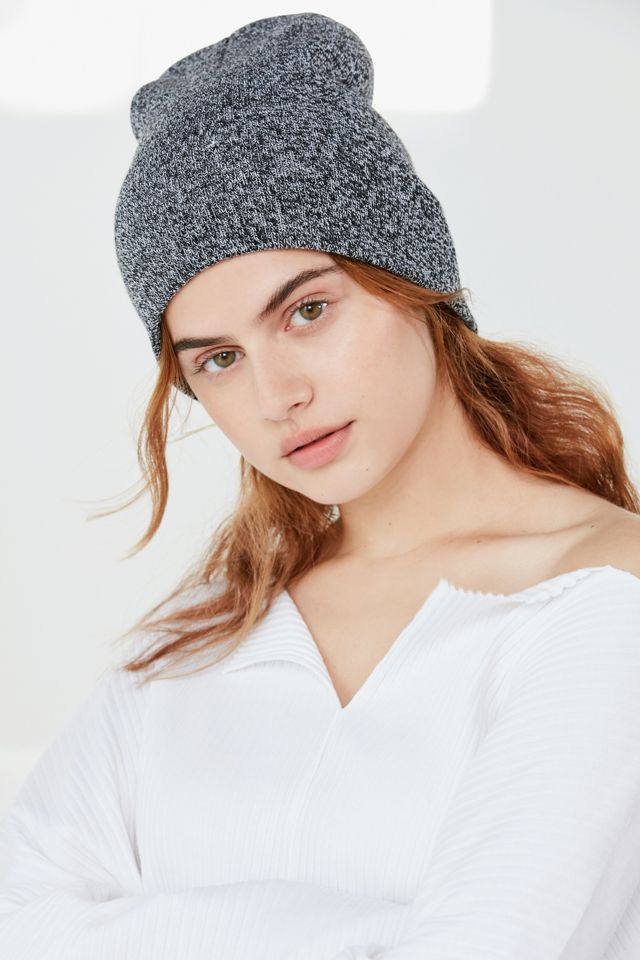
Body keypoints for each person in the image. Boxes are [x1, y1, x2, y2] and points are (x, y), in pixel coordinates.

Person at [1, 11, 639, 960]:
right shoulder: (201, 635)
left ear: (415, 279)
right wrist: (383, 933)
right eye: (218, 359)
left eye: (306, 310)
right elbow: (19, 921)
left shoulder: (604, 596)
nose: (277, 397)